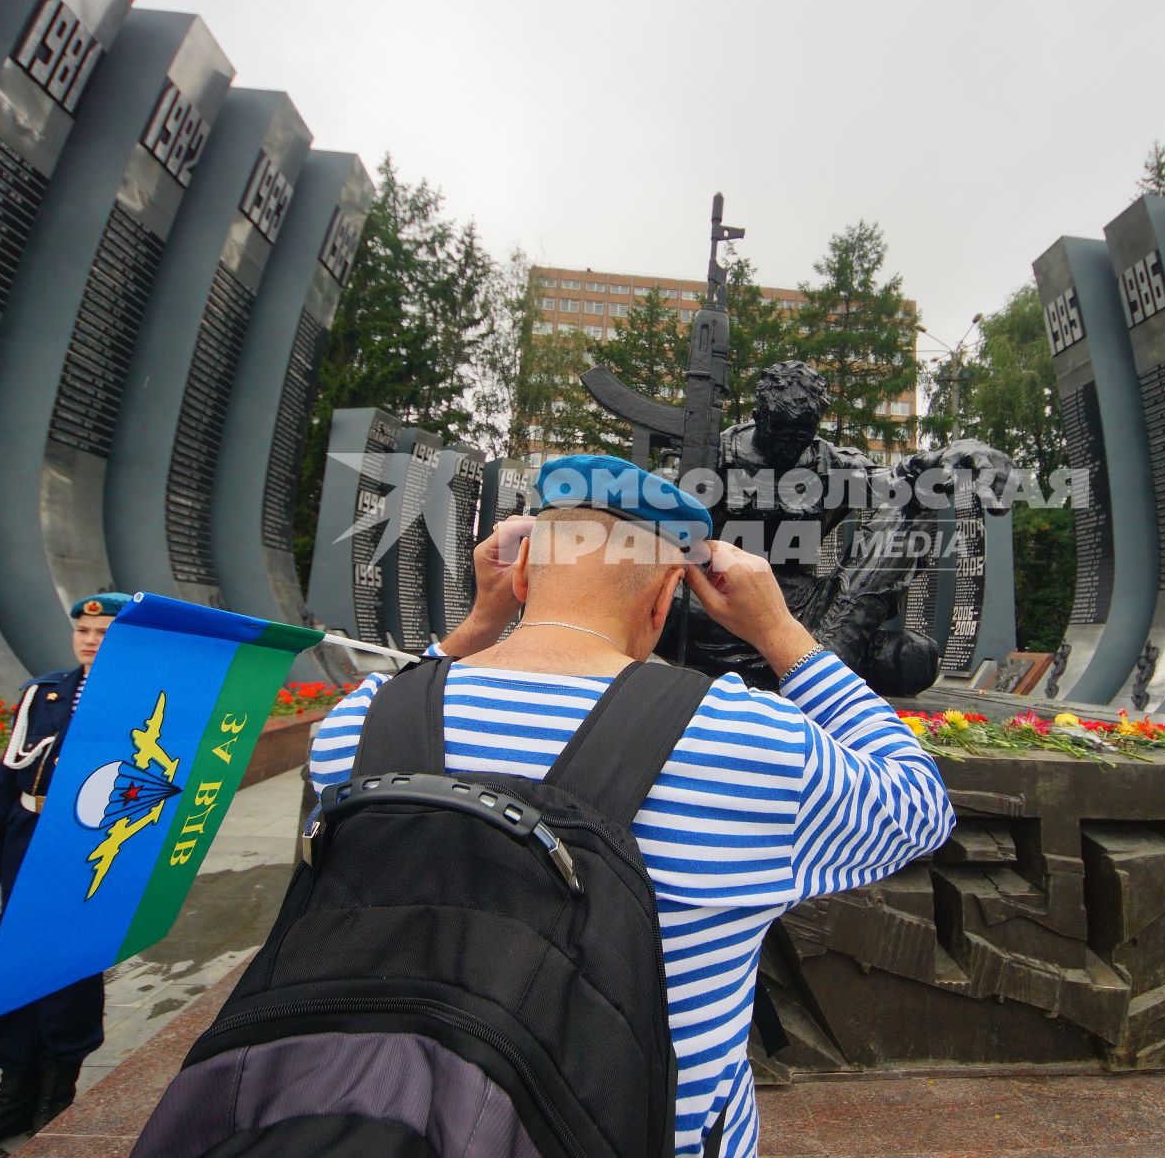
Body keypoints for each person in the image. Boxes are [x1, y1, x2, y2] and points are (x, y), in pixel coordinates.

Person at [308, 454, 955, 1158]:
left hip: (405, 1128)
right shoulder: (745, 742)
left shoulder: (358, 727)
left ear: (521, 575)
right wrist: (783, 636)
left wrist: (477, 622)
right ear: (661, 600)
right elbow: (921, 806)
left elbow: (414, 690)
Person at [666, 359, 1010, 696]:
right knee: (665, 603)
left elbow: (896, 480)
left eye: (801, 437)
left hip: (809, 610)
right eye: (781, 434)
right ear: (759, 419)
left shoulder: (828, 463)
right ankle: (817, 666)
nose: (790, 448)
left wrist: (951, 455)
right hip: (721, 607)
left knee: (916, 657)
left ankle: (831, 647)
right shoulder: (712, 455)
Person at [0, 592, 130, 1158]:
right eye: (84, 629)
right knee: (14, 966)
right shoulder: (43, 692)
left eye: (105, 630)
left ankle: (56, 1098)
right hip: (26, 838)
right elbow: (4, 784)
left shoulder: (137, 700)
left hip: (86, 850)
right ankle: (12, 1094)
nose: (91, 639)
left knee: (67, 972)